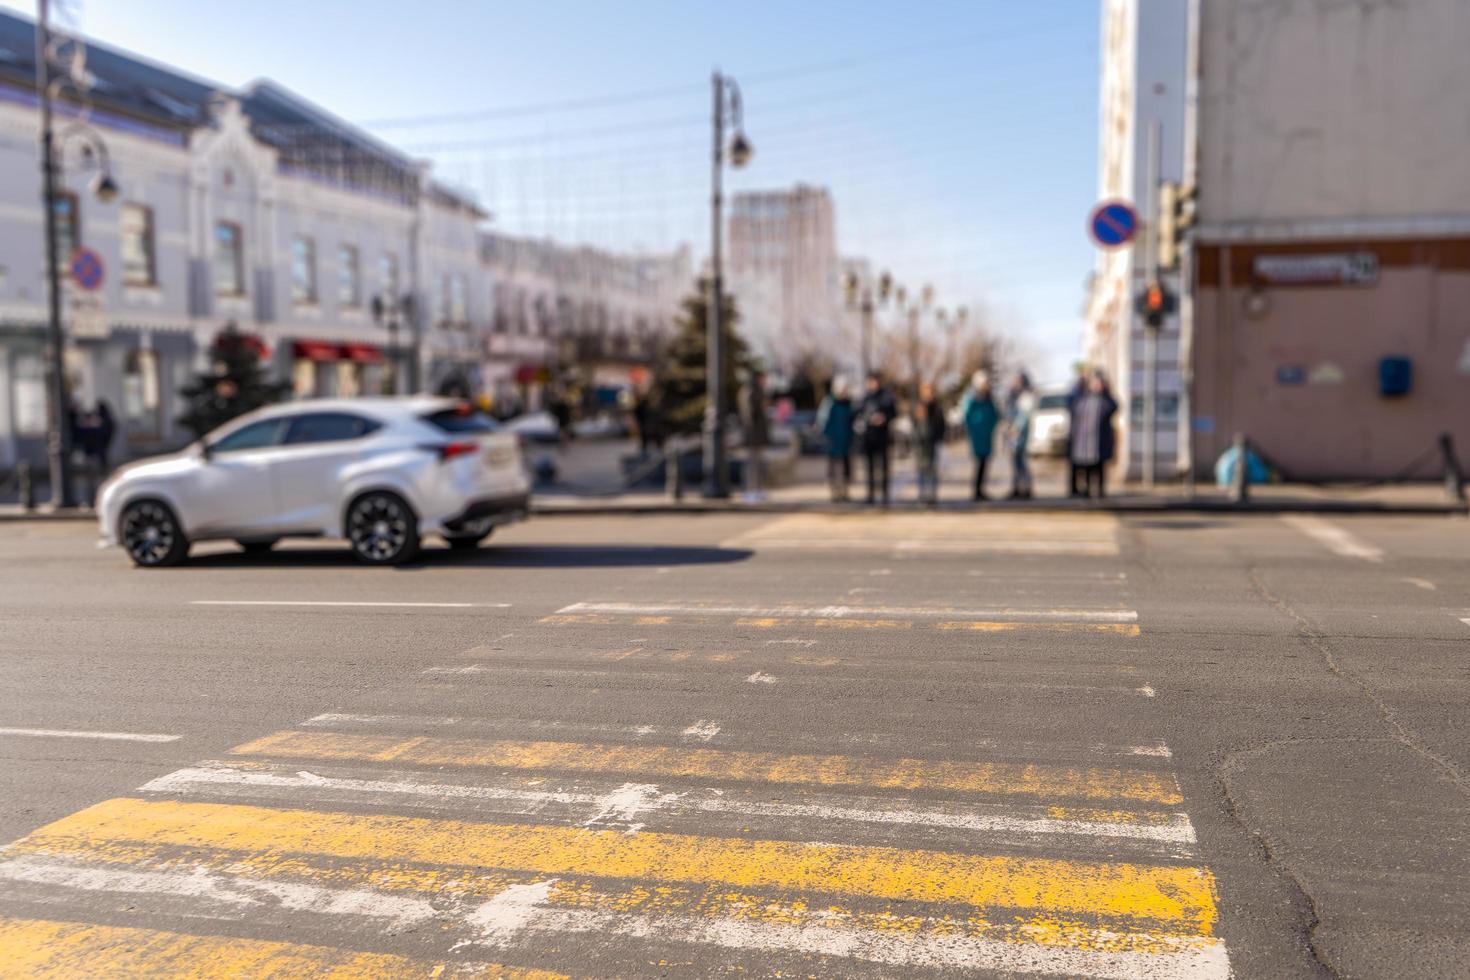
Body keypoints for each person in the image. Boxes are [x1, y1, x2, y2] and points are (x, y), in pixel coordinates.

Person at [1069, 370, 1118, 498]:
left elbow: (1114, 407)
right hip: (1082, 440)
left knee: (1099, 467)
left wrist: (1106, 392)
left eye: (1099, 383)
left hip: (1099, 440)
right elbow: (1072, 407)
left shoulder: (1106, 400)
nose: (1096, 386)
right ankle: (1084, 490)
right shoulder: (1082, 398)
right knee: (1084, 467)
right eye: (1094, 383)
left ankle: (1099, 491)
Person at [858, 372, 896, 506]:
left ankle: (885, 495)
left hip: (883, 437)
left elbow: (893, 413)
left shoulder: (887, 396)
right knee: (870, 468)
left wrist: (884, 418)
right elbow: (860, 414)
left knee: (884, 467)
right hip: (869, 437)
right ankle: (870, 494)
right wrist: (869, 419)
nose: (873, 384)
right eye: (871, 381)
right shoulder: (865, 398)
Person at [961, 370, 1000, 501]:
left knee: (985, 463)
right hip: (977, 435)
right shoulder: (971, 398)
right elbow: (966, 416)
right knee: (978, 463)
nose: (986, 386)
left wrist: (991, 426)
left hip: (987, 435)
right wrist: (974, 427)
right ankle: (976, 490)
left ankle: (981, 489)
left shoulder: (989, 399)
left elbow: (995, 415)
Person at [816, 377, 856, 501]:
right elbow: (822, 421)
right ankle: (835, 492)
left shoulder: (849, 404)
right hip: (833, 441)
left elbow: (853, 422)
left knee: (846, 468)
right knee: (834, 469)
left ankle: (844, 492)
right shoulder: (829, 402)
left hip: (846, 441)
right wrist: (827, 436)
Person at [911, 381, 946, 506]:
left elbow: (942, 425)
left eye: (930, 392)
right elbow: (914, 426)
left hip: (933, 443)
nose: (928, 395)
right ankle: (922, 495)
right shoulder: (918, 407)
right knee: (922, 471)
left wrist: (939, 440)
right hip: (921, 445)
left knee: (933, 471)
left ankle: (932, 495)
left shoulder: (937, 408)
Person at [1004, 372, 1036, 499]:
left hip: (1019, 433)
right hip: (1012, 432)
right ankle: (1017, 488)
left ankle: (1026, 488)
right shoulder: (1012, 394)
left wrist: (1016, 428)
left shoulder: (1026, 396)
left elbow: (1025, 415)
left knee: (1021, 461)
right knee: (1015, 461)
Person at [738, 370, 769, 501]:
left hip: (757, 435)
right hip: (753, 435)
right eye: (764, 378)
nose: (766, 381)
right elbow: (749, 414)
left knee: (758, 464)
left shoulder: (757, 391)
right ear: (758, 378)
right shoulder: (750, 391)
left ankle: (758, 490)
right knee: (752, 464)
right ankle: (750, 491)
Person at [1065, 365, 1089, 497]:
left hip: (1085, 435)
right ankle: (1073, 488)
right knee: (1074, 464)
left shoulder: (1088, 394)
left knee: (1084, 464)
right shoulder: (1075, 394)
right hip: (1075, 433)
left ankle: (1082, 487)